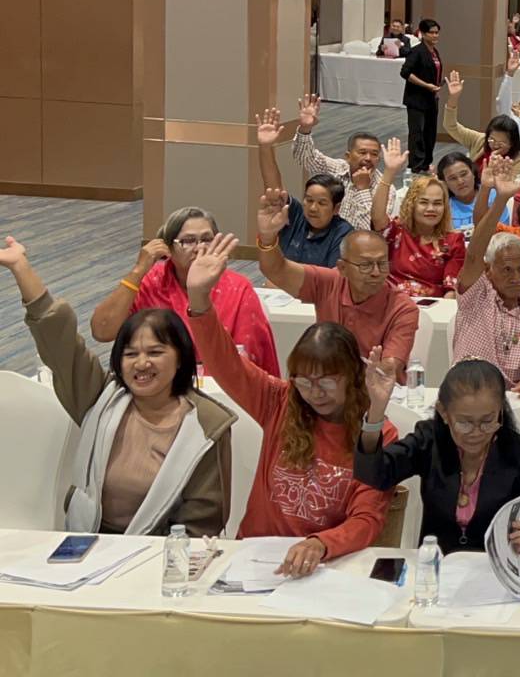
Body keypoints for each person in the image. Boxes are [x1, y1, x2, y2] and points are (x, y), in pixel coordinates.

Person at [186, 234, 396, 577]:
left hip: (325, 565)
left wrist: (320, 544)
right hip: (255, 558)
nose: (314, 392)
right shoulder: (280, 400)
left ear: (351, 376)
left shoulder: (376, 432)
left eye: (327, 381)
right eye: (304, 380)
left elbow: (368, 517)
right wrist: (199, 300)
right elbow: (226, 363)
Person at [3, 237, 234, 536]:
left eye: (155, 352)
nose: (141, 364)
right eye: (130, 354)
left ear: (180, 359)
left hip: (161, 550)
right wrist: (20, 267)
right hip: (89, 540)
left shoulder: (207, 424)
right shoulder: (102, 398)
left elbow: (203, 522)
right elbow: (58, 340)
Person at [354, 355, 520, 553]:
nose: (476, 432)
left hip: (490, 566)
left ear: (500, 412)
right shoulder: (429, 441)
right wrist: (376, 410)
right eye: (464, 423)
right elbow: (373, 474)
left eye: (487, 421)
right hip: (436, 562)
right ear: (444, 413)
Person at [91, 207, 279, 376]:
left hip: (223, 385)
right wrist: (138, 270)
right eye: (188, 241)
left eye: (207, 239)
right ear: (168, 249)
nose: (199, 248)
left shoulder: (238, 288)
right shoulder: (151, 282)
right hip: (156, 381)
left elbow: (250, 358)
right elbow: (102, 331)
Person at [256, 189, 421, 373]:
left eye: (382, 264)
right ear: (342, 268)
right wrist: (268, 237)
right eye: (365, 265)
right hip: (329, 381)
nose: (376, 272)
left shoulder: (402, 308)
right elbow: (277, 270)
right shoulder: (329, 282)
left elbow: (388, 369)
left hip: (373, 387)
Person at [451, 164, 520, 400]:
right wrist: (501, 200)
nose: (515, 277)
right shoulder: (477, 294)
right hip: (468, 393)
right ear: (488, 270)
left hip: (515, 398)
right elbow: (474, 253)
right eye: (506, 269)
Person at [255, 107, 354, 268]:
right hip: (279, 282)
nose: (313, 208)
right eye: (309, 200)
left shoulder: (344, 233)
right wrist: (265, 148)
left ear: (336, 208)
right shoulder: (296, 215)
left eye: (322, 203)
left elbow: (331, 278)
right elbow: (274, 190)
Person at [371, 139, 467, 298]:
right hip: (391, 302)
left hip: (432, 308)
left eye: (437, 203)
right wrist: (389, 172)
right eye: (423, 202)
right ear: (412, 204)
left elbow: (451, 289)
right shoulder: (397, 231)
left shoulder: (453, 241)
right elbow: (377, 216)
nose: (431, 209)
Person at [291, 95, 388, 230]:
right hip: (326, 236)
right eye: (362, 152)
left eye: (374, 154)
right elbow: (305, 158)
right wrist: (305, 129)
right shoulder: (337, 168)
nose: (368, 158)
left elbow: (370, 231)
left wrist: (363, 190)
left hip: (355, 242)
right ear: (348, 156)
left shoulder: (384, 188)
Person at [400, 18, 444, 174]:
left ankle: (426, 163)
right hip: (416, 99)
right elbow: (405, 73)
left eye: (437, 32)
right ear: (423, 34)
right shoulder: (417, 51)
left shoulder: (435, 52)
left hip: (431, 98)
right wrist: (426, 85)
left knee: (430, 133)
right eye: (431, 33)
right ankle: (416, 166)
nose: (435, 35)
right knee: (417, 133)